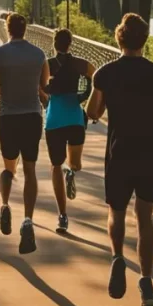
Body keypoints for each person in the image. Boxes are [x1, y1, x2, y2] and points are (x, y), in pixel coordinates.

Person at [86, 12, 153, 306]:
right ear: (145, 39)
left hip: (120, 151)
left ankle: (117, 258)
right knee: (145, 217)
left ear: (119, 38)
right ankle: (147, 282)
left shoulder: (105, 73)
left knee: (116, 211)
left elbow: (93, 112)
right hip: (152, 151)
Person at [0, 11, 49, 254]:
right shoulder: (39, 54)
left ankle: (5, 206)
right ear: (25, 30)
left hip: (8, 118)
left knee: (9, 168)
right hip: (33, 117)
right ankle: (27, 220)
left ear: (7, 28)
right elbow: (44, 88)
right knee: (30, 169)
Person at [45, 28, 95, 233]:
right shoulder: (79, 64)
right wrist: (84, 96)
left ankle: (62, 215)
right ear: (70, 43)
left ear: (54, 43)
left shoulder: (46, 65)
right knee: (75, 163)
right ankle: (71, 171)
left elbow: (38, 84)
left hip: (54, 119)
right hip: (75, 118)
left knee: (55, 166)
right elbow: (95, 74)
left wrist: (46, 95)